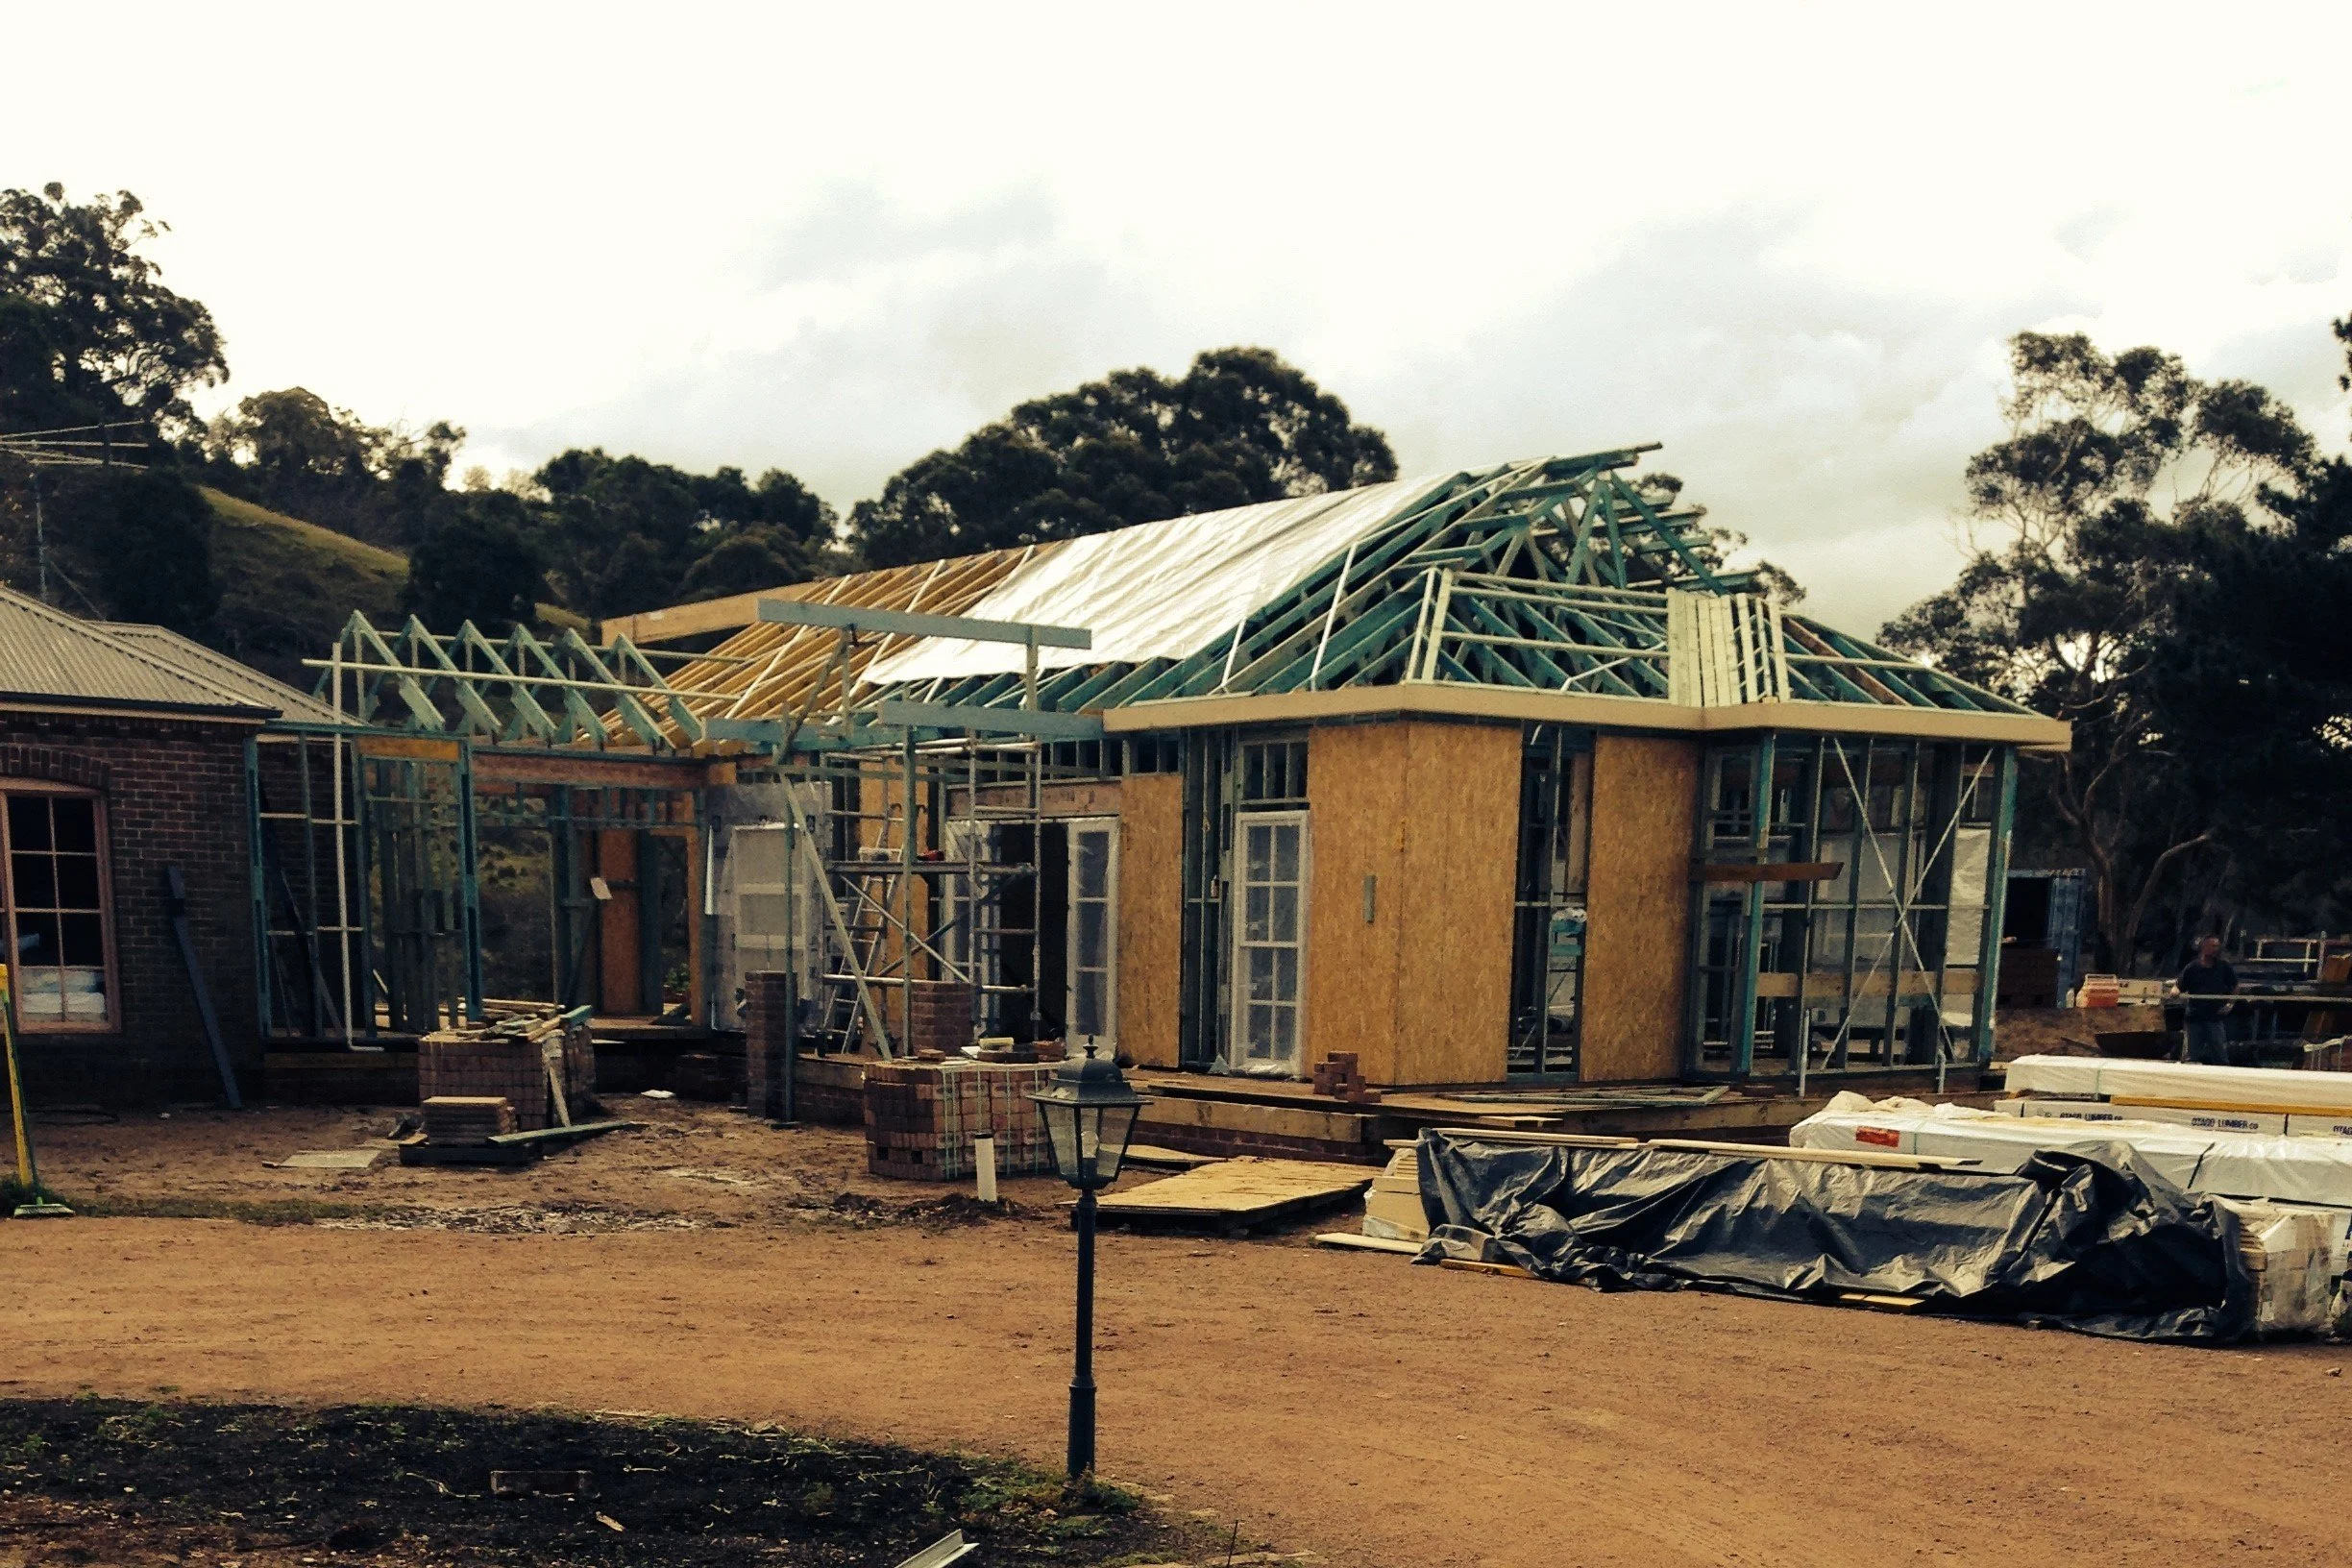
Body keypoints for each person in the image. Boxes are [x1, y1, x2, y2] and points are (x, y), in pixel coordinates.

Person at [2174, 936, 2238, 1066]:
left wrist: (2230, 1004)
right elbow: (2178, 985)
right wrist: (2175, 991)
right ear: (2204, 947)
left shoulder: (2224, 967)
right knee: (2191, 1057)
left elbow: (2236, 986)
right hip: (2194, 1017)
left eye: (2217, 946)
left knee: (2220, 1056)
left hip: (2215, 1017)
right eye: (2212, 946)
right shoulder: (2192, 967)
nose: (2216, 949)